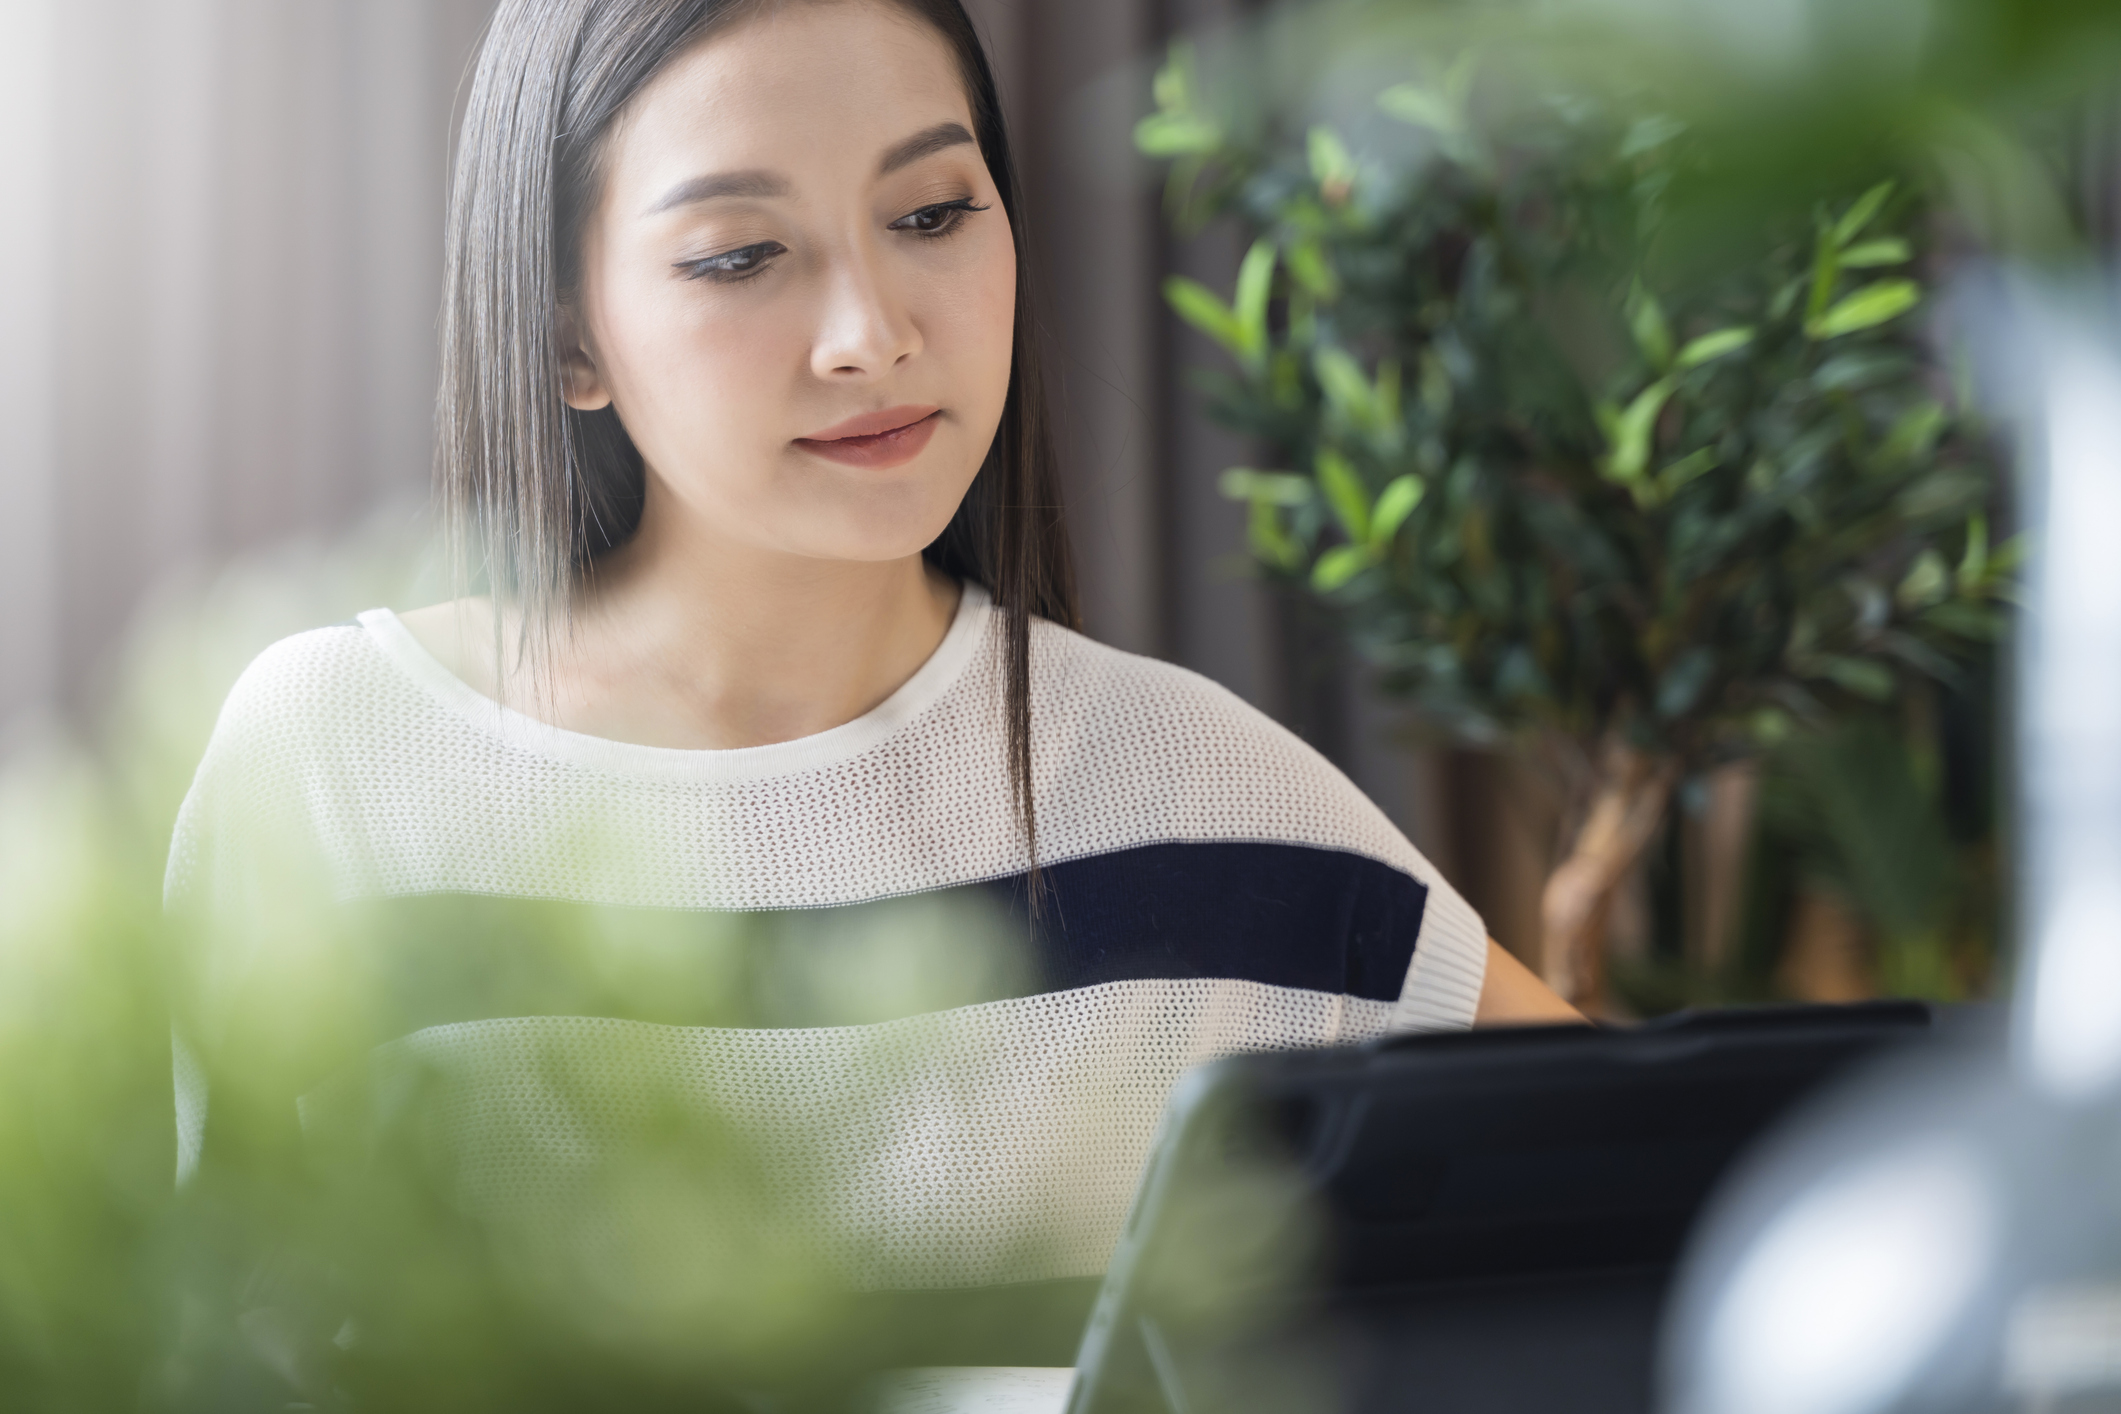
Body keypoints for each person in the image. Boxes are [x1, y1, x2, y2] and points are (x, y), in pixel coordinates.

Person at [168, 0, 1577, 1305]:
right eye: (740, 253)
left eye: (931, 211)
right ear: (565, 339)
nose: (873, 334)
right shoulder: (339, 760)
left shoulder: (1214, 799)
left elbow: (1652, 1197)